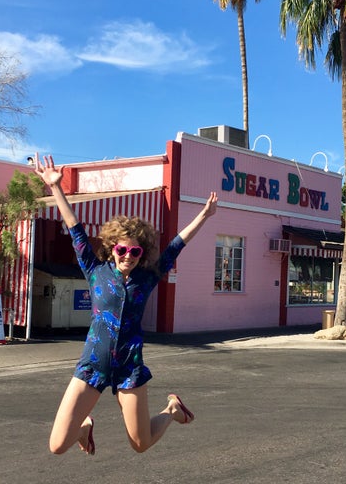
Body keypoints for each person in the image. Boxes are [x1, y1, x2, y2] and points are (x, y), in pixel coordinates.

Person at [34, 153, 217, 455]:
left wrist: (204, 215)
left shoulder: (147, 277)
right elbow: (75, 228)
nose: (128, 255)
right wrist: (56, 188)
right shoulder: (95, 270)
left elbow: (175, 246)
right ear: (111, 247)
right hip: (93, 364)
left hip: (128, 367)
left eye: (135, 251)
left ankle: (171, 411)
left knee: (141, 444)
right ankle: (84, 428)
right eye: (122, 249)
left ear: (141, 253)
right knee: (56, 446)